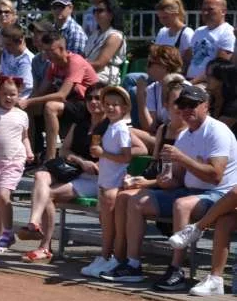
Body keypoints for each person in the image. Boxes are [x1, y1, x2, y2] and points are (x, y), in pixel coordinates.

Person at [101, 85, 237, 289]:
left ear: (206, 106)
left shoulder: (218, 131)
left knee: (182, 205)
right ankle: (132, 264)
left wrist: (181, 158)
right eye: (182, 105)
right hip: (190, 192)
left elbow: (216, 176)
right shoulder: (184, 136)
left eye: (193, 105)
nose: (187, 110)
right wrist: (165, 181)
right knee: (133, 199)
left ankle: (176, 270)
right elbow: (178, 179)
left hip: (219, 194)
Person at [102, 75, 188, 278]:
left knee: (128, 198)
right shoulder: (162, 130)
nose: (179, 108)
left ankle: (128, 262)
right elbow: (155, 166)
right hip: (159, 184)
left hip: (176, 188)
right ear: (166, 105)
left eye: (183, 103)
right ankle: (121, 259)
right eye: (174, 103)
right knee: (121, 195)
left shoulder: (189, 134)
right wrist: (135, 178)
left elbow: (178, 178)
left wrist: (146, 182)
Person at [16, 83, 109, 263]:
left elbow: (133, 148)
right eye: (89, 98)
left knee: (49, 195)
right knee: (40, 175)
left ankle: (44, 246)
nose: (93, 102)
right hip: (75, 171)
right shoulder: (82, 121)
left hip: (95, 179)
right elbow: (65, 150)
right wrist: (81, 161)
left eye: (98, 98)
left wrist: (99, 161)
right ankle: (34, 224)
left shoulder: (110, 126)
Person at [19, 31, 99, 161]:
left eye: (50, 51)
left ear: (62, 49)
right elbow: (41, 91)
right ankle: (32, 154)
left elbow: (61, 95)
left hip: (87, 103)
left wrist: (30, 101)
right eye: (44, 51)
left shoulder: (75, 62)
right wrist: (24, 102)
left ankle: (50, 159)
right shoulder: (53, 65)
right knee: (29, 109)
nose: (46, 55)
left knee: (51, 107)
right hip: (71, 103)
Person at [0, 76, 33, 254]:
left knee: (3, 194)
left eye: (13, 94)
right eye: (4, 94)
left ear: (18, 95)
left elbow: (24, 136)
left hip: (14, 160)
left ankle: (8, 232)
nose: (8, 98)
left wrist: (29, 151)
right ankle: (0, 235)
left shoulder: (22, 115)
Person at [85, 86, 134, 275]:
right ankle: (105, 256)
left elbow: (126, 157)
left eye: (115, 105)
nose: (111, 108)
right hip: (105, 181)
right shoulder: (109, 127)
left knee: (113, 226)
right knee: (106, 225)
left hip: (114, 182)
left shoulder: (122, 129)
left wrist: (103, 153)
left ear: (124, 108)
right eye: (108, 104)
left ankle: (113, 258)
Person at [185, 0, 235, 83]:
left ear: (223, 11)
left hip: (208, 83)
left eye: (210, 9)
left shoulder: (227, 32)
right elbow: (188, 59)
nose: (205, 13)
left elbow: (218, 67)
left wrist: (192, 83)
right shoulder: (199, 31)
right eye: (203, 10)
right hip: (189, 80)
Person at [82, 0, 126, 85]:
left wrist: (77, 66)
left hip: (104, 77)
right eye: (95, 11)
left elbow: (99, 65)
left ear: (111, 15)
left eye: (100, 11)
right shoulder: (94, 35)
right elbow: (83, 56)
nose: (96, 14)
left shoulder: (115, 36)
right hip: (87, 73)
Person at [0, 25, 34, 98]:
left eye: (9, 44)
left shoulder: (26, 60)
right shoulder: (6, 53)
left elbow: (24, 86)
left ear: (20, 41)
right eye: (4, 44)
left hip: (20, 98)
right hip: (5, 95)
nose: (5, 47)